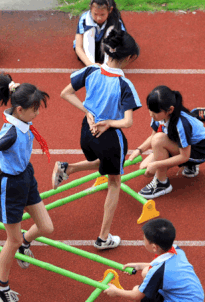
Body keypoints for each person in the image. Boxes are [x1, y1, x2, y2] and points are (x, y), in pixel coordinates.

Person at [54, 29, 141, 250]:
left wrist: (88, 112)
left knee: (103, 162)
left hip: (87, 132)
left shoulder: (90, 70)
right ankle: (103, 237)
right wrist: (109, 122)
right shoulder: (125, 84)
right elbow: (127, 122)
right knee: (115, 182)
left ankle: (68, 168)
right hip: (109, 136)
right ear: (130, 58)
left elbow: (65, 93)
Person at [0, 74, 54, 302]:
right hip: (9, 186)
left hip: (26, 178)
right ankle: (1, 286)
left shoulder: (22, 122)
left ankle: (24, 244)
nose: (37, 113)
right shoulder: (10, 131)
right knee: (13, 239)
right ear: (20, 110)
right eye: (34, 110)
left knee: (46, 227)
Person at [104, 218, 204, 302]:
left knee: (137, 292)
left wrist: (116, 291)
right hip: (193, 299)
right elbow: (161, 266)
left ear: (154, 247)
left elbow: (136, 296)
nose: (143, 239)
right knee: (145, 272)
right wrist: (139, 265)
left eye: (144, 239)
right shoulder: (177, 250)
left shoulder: (158, 272)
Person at [131, 86, 205, 199]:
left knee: (158, 141)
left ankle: (162, 183)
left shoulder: (181, 124)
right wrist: (139, 150)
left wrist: (156, 164)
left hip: (199, 150)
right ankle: (189, 166)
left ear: (170, 110)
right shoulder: (159, 114)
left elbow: (184, 156)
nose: (151, 114)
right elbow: (152, 136)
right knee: (144, 169)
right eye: (149, 109)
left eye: (155, 112)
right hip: (182, 146)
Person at [74, 0, 126, 66]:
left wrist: (111, 63)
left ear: (110, 10)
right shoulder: (84, 19)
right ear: (90, 8)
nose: (99, 18)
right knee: (89, 30)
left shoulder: (116, 21)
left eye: (102, 14)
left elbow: (122, 45)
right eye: (95, 14)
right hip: (88, 50)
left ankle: (107, 62)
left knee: (111, 31)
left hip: (106, 50)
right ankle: (91, 63)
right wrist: (89, 64)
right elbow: (78, 47)